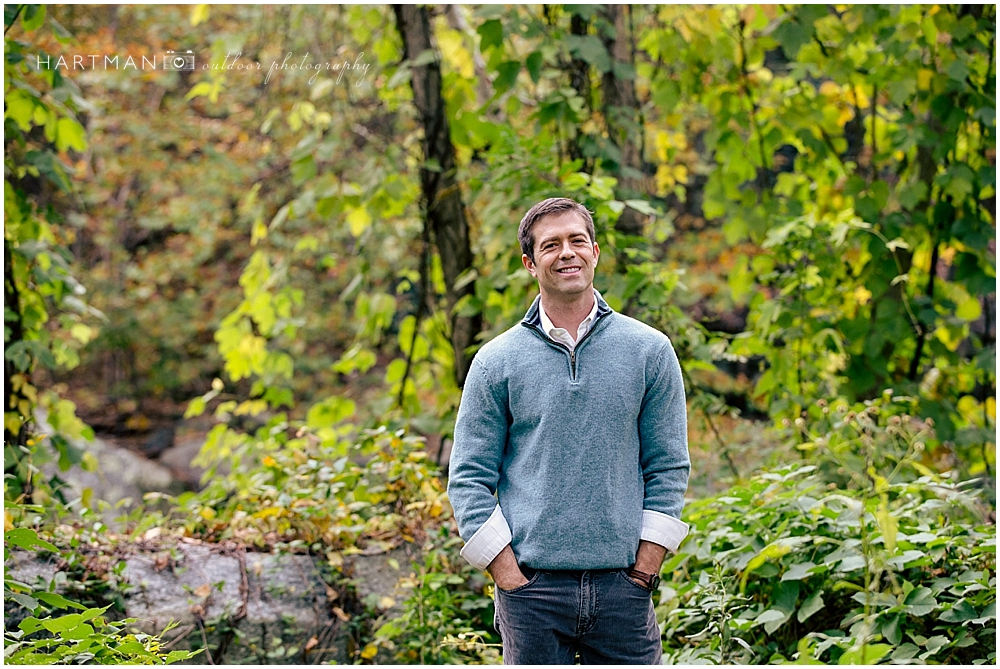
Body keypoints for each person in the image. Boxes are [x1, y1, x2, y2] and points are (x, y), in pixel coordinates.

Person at [447, 197, 691, 664]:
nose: (567, 253)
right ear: (529, 263)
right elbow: (469, 477)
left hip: (624, 588)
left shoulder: (649, 351)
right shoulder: (496, 361)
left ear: (595, 252)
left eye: (578, 240)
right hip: (531, 593)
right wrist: (507, 573)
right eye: (551, 245)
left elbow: (668, 466)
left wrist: (644, 570)